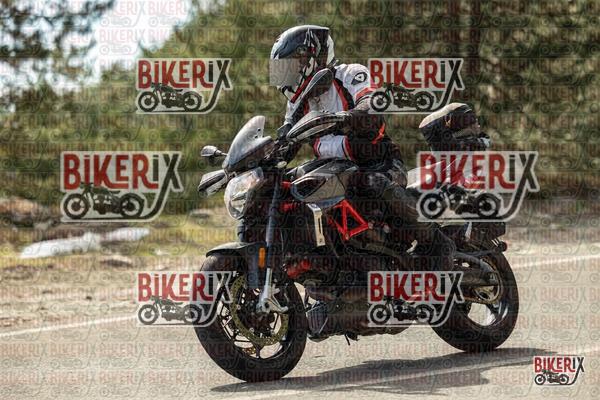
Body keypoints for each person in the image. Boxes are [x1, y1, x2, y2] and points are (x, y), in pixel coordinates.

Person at [269, 25, 454, 268]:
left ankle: (436, 242)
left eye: (293, 64)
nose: (289, 74)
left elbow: (371, 104)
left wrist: (348, 117)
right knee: (290, 186)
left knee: (371, 182)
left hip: (379, 163)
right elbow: (286, 140)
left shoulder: (350, 74)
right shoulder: (298, 102)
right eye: (284, 68)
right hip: (336, 171)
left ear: (314, 57)